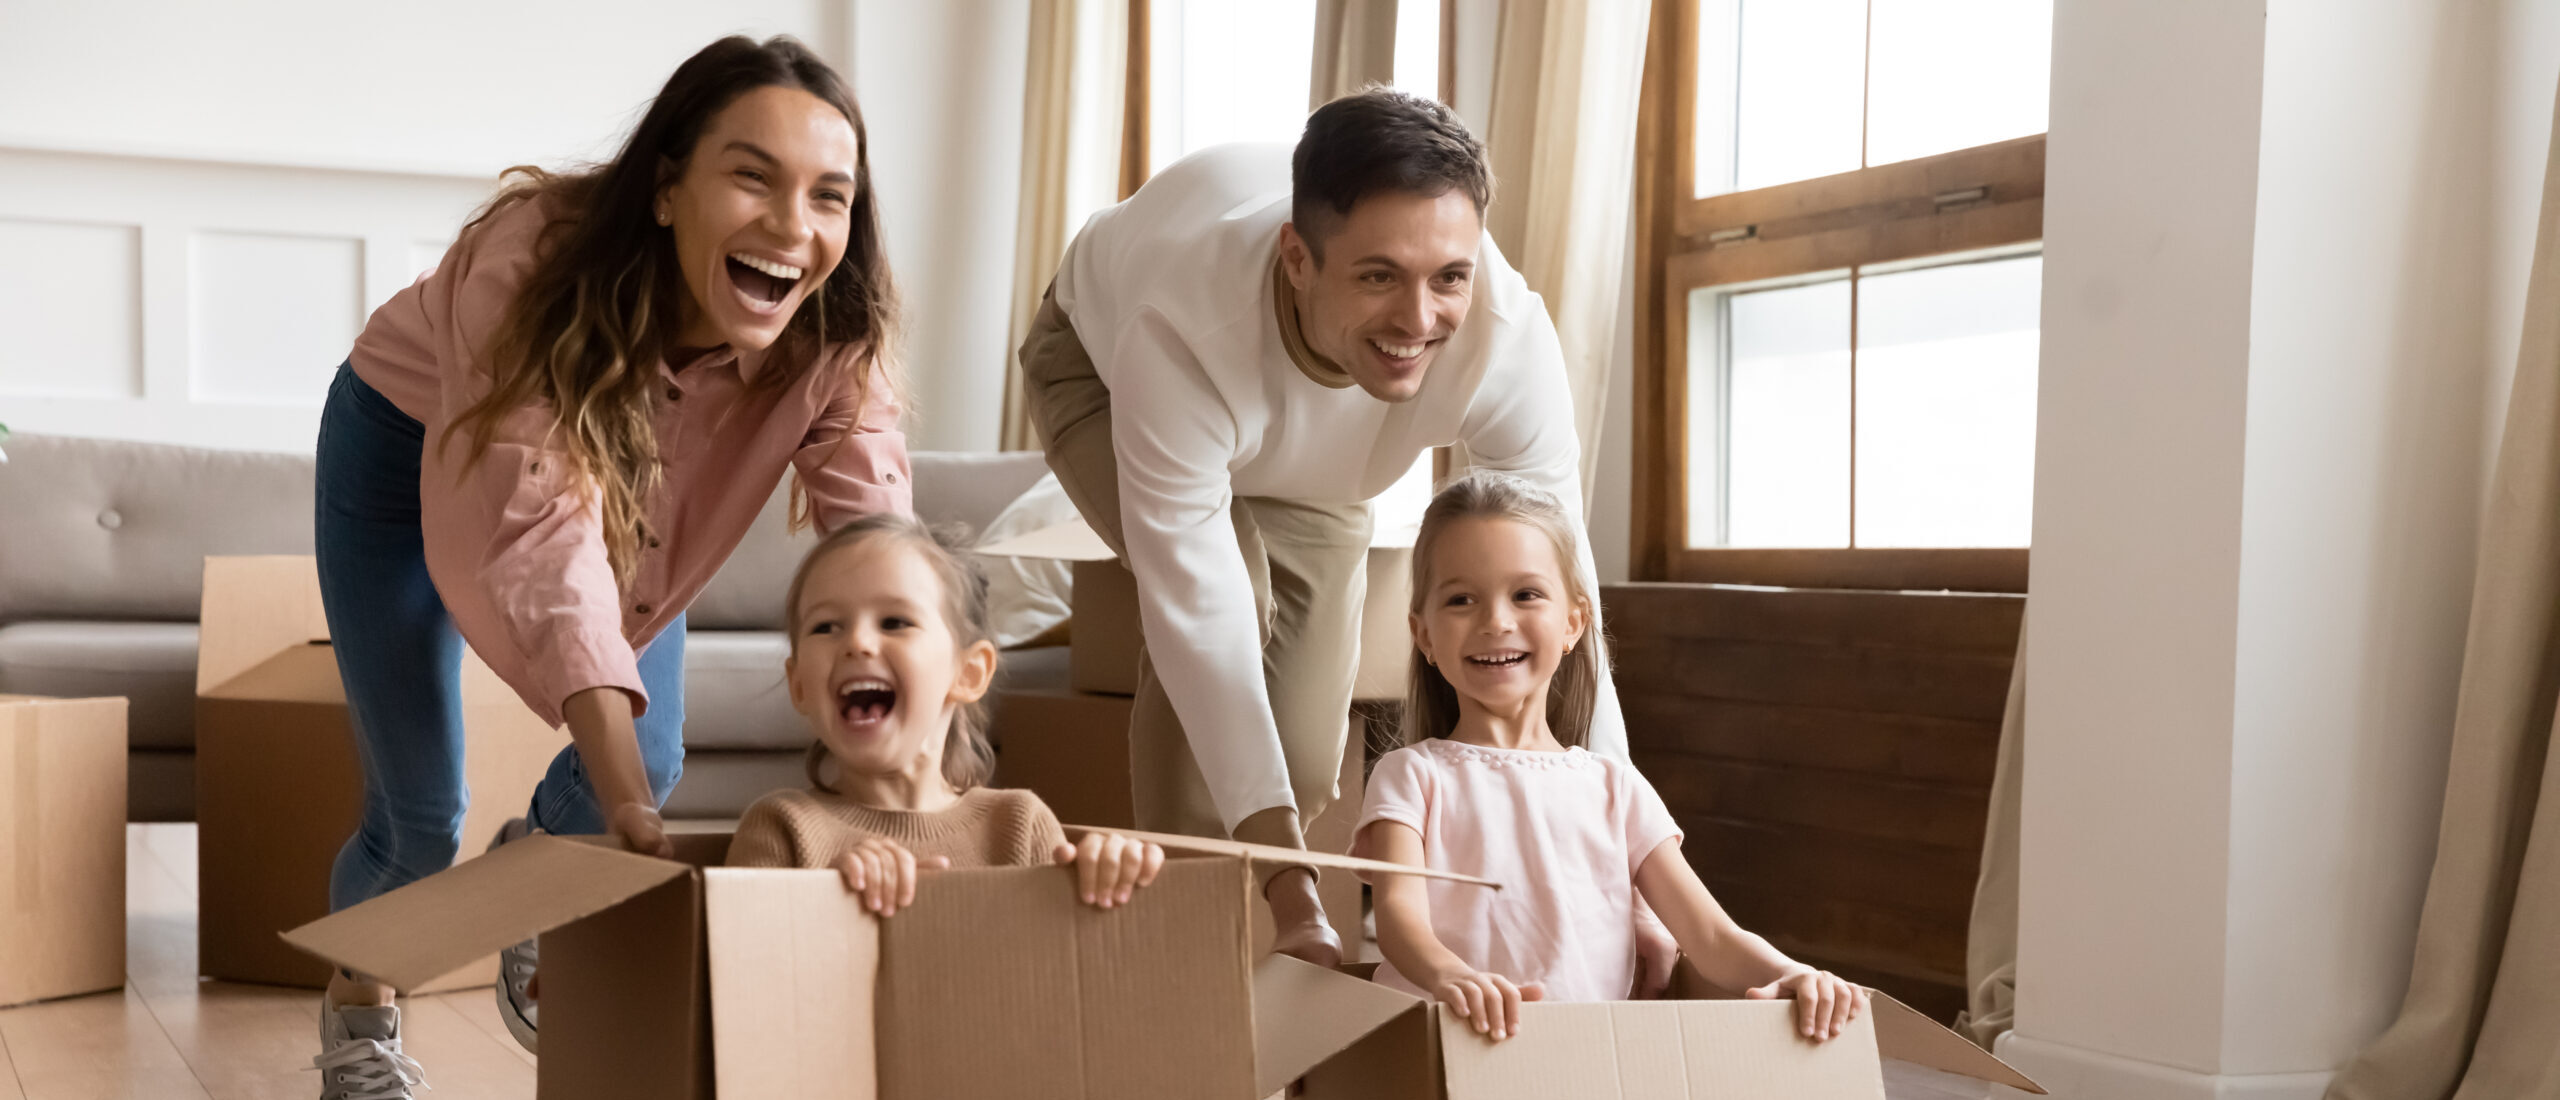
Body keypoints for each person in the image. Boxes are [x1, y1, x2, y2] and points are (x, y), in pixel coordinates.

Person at [309, 35, 906, 1099]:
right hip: (404, 448)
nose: (792, 227)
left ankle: (539, 872)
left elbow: (879, 542)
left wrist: (924, 769)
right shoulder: (532, 265)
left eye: (830, 195)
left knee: (651, 756)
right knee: (421, 817)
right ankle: (363, 1007)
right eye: (751, 176)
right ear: (668, 186)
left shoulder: (833, 333)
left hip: (623, 486)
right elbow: (545, 537)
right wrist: (625, 821)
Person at [1018, 87, 1657, 970]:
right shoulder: (1176, 325)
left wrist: (1637, 869)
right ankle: (1179, 961)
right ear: (1297, 259)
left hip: (1318, 464)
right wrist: (1295, 895)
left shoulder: (1507, 340)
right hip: (1100, 371)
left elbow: (1563, 596)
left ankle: (1275, 932)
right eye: (1377, 276)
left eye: (1449, 278)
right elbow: (1200, 620)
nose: (1418, 318)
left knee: (1305, 748)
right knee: (1231, 595)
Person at [1357, 473, 1869, 1043]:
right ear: (1423, 634)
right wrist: (1452, 975)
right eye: (1461, 599)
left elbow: (1711, 937)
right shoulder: (1410, 775)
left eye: (1525, 594)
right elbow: (1400, 917)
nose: (1495, 620)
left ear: (1574, 622)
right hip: (1444, 1054)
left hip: (1584, 1063)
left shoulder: (1616, 787)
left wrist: (1792, 972)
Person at [725, 514, 1166, 913]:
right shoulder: (782, 828)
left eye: (895, 622)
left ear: (969, 673)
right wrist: (827, 902)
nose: (857, 642)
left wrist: (1111, 882)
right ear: (799, 684)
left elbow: (1063, 976)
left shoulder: (1017, 825)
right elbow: (740, 980)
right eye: (825, 627)